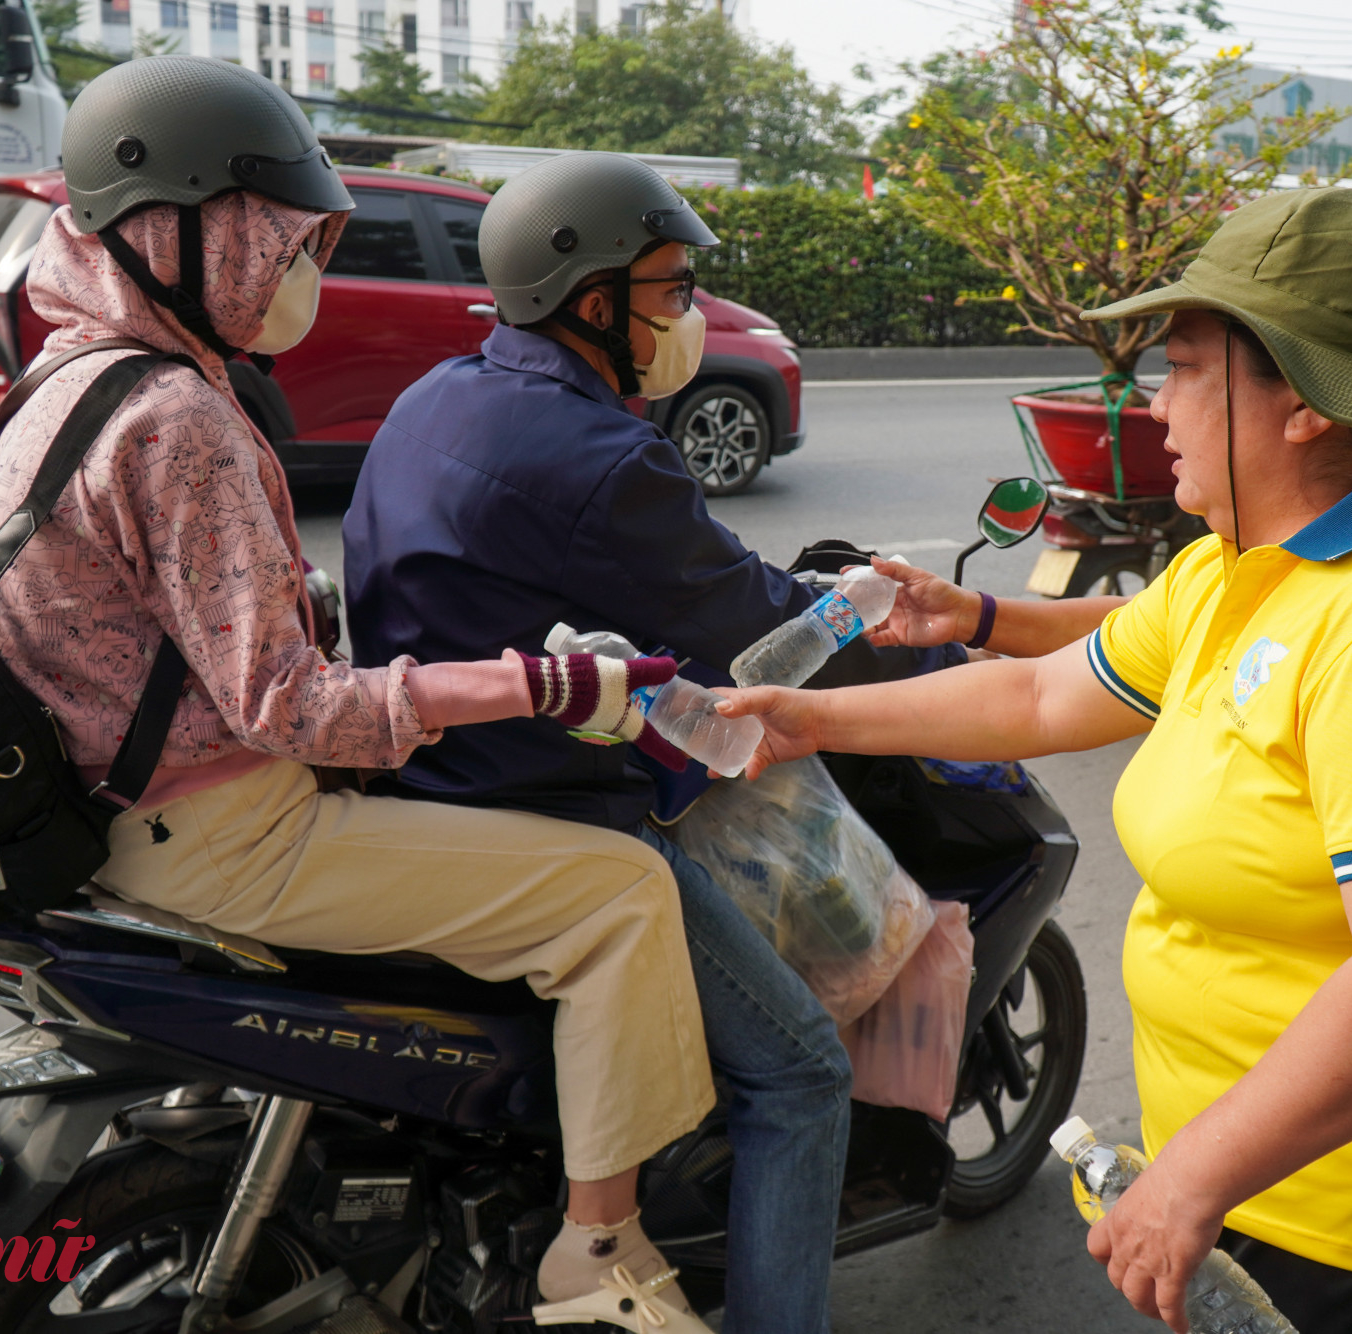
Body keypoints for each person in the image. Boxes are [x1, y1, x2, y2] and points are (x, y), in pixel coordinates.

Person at [719, 188, 1352, 1334]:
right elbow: (1038, 689)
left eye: (1182, 367)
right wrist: (808, 719)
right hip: (1264, 1179)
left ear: (1307, 404)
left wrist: (1193, 1174)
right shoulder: (1237, 568)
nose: (1152, 404)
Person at [0, 59, 714, 1333]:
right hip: (226, 834)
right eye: (282, 236)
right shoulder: (176, 416)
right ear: (178, 231)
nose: (299, 267)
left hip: (96, 812)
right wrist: (546, 682)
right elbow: (295, 709)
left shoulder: (59, 379)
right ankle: (597, 1250)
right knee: (623, 895)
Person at [341, 150, 964, 1334]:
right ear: (593, 300)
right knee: (799, 1074)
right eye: (673, 290)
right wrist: (948, 654)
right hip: (551, 804)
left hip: (426, 772)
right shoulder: (604, 460)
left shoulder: (438, 395)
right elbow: (757, 622)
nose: (690, 315)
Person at [867, 235, 1352, 910]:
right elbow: (1165, 640)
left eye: (1182, 370)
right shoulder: (1283, 534)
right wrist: (974, 620)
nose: (1158, 407)